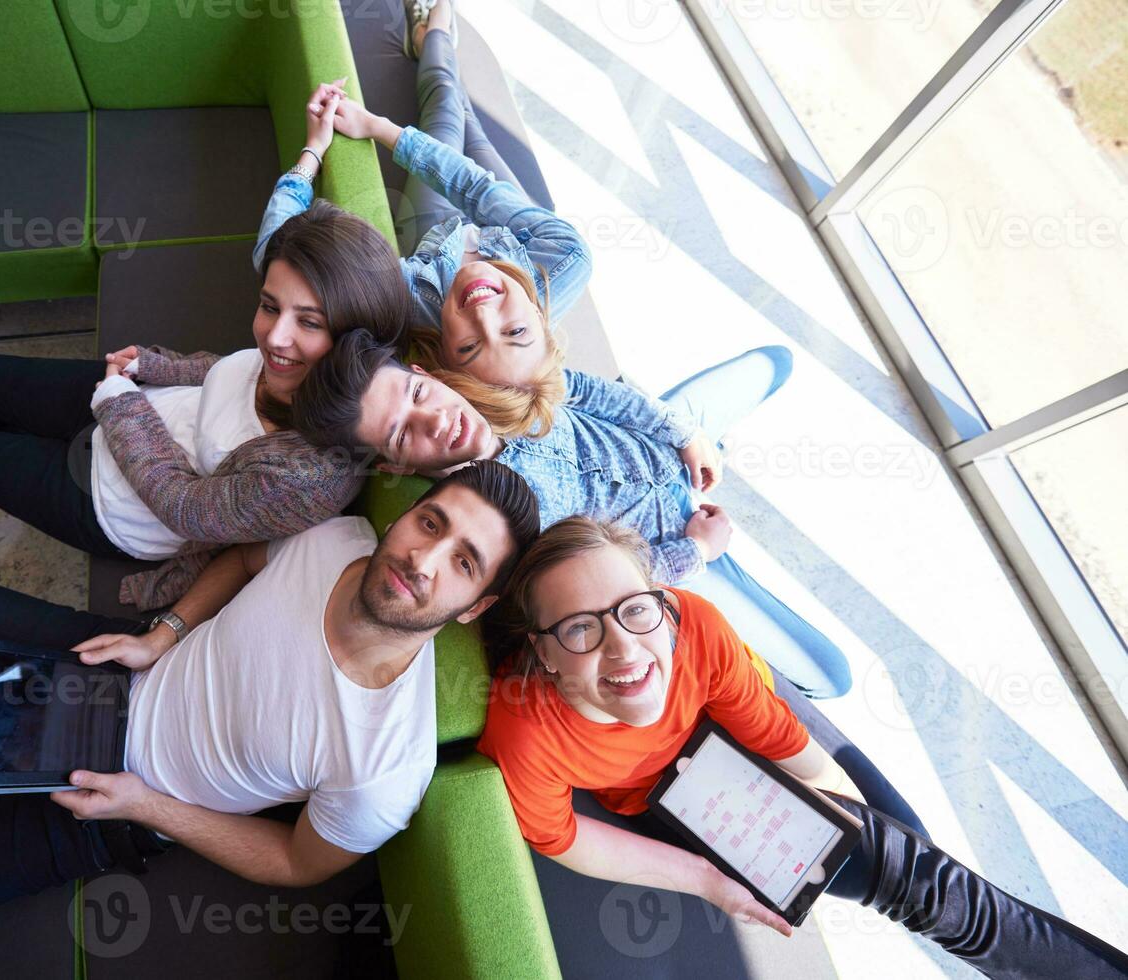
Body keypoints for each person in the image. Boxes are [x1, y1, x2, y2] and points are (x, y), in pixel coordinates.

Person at [0, 462, 541, 964]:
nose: (420, 558)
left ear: (478, 605)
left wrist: (145, 805)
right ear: (408, 513)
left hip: (118, 804)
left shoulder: (386, 762)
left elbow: (295, 864)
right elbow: (241, 559)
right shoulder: (342, 539)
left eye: (462, 562)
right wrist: (165, 631)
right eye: (429, 522)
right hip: (114, 665)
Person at [477, 516, 1128, 978]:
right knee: (920, 883)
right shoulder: (523, 732)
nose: (621, 646)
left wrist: (838, 813)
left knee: (909, 846)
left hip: (734, 728)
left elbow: (770, 729)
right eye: (580, 628)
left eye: (634, 610)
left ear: (660, 603)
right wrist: (705, 880)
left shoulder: (693, 623)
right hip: (676, 795)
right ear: (542, 650)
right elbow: (563, 838)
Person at [0, 149, 410, 612]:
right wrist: (157, 366)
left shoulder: (313, 477)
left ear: (354, 343)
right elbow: (227, 369)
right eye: (269, 306)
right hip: (133, 398)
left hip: (109, 499)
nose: (275, 337)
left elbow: (185, 509)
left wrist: (120, 404)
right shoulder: (288, 357)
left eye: (310, 322)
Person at [292, 329, 853, 699]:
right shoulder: (493, 522)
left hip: (665, 439)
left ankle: (709, 437)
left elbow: (592, 393)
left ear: (427, 375)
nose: (435, 421)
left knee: (777, 361)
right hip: (675, 535)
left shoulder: (496, 381)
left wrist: (686, 435)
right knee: (828, 678)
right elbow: (612, 587)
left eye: (418, 394)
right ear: (393, 464)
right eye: (403, 434)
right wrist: (699, 550)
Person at [255, 0, 589, 395]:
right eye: (514, 330)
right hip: (501, 214)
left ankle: (434, 35)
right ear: (540, 317)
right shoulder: (566, 260)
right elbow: (476, 188)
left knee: (450, 107)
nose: (483, 313)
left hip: (435, 225)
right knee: (467, 124)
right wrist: (378, 127)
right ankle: (435, 38)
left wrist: (312, 151)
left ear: (444, 349)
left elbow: (274, 255)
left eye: (470, 345)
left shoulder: (411, 302)